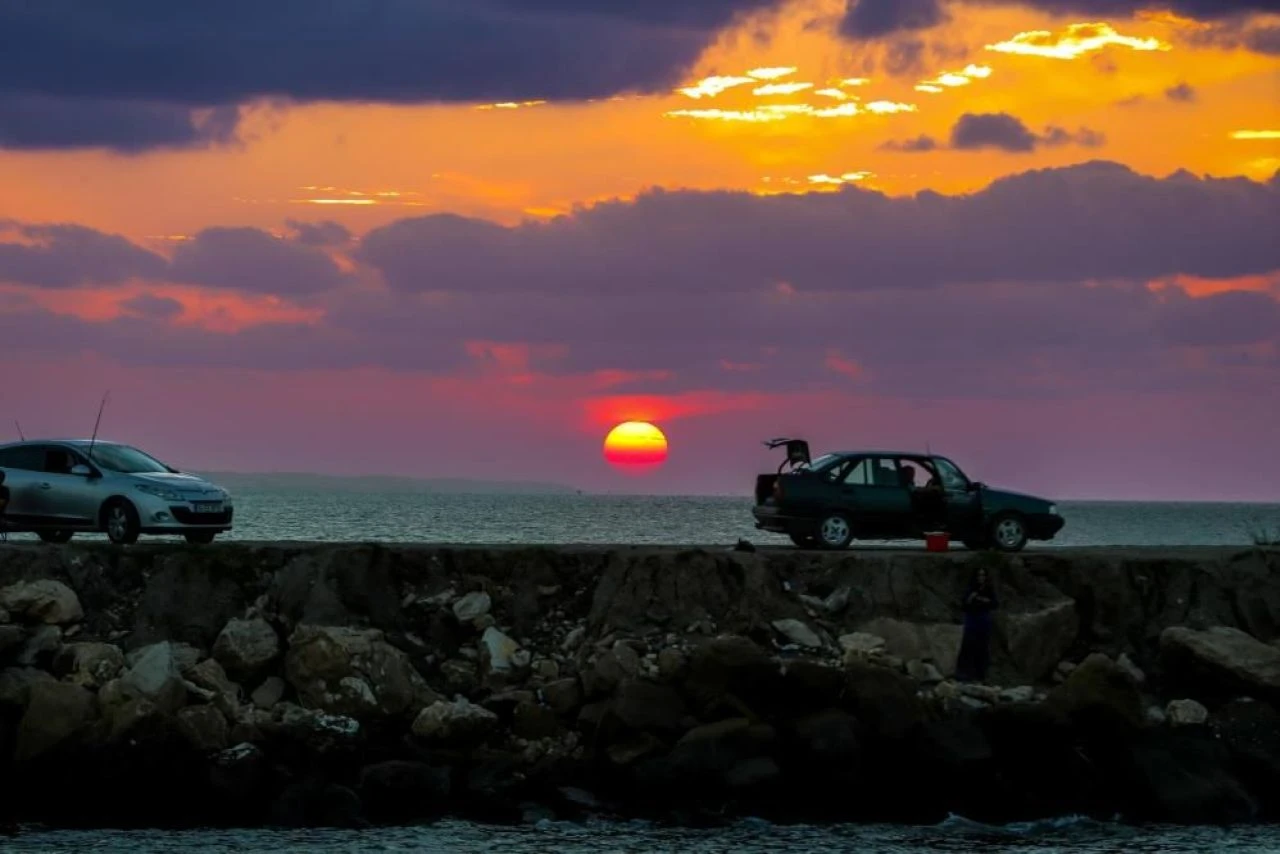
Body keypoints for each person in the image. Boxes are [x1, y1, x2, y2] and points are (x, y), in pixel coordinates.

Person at [955, 566, 997, 682]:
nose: (981, 578)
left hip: (983, 619)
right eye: (979, 575)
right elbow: (964, 604)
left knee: (983, 648)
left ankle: (981, 674)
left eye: (983, 575)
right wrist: (971, 599)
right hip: (972, 619)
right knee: (969, 646)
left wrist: (984, 601)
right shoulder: (971, 588)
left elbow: (994, 603)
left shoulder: (988, 589)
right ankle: (966, 674)